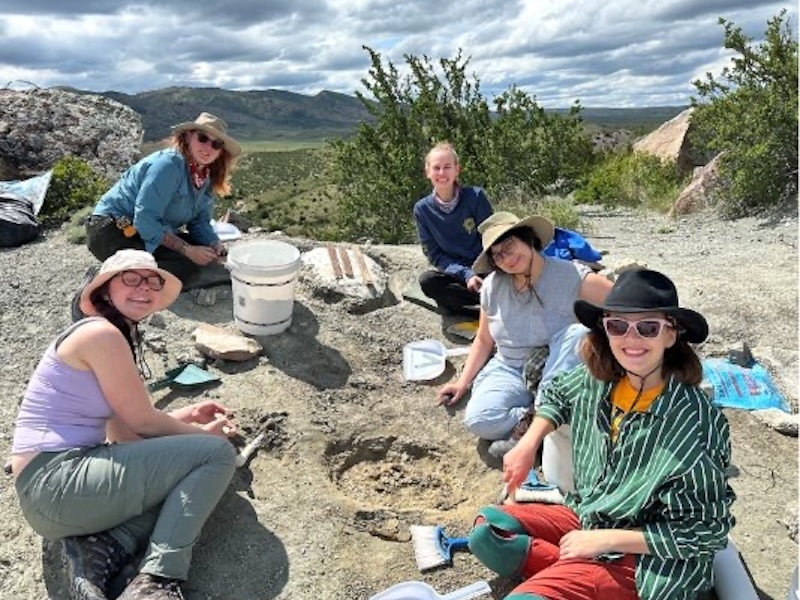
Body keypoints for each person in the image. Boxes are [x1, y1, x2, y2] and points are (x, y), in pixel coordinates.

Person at [468, 269, 735, 600]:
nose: (631, 338)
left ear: (671, 335)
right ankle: (576, 573)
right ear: (605, 329)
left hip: (650, 559)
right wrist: (528, 443)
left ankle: (578, 577)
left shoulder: (694, 423)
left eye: (648, 327)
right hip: (593, 515)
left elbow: (706, 532)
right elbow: (559, 395)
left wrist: (607, 540)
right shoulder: (602, 380)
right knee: (487, 532)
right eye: (618, 326)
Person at [11, 249, 238, 600]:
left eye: (152, 281)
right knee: (217, 455)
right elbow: (143, 422)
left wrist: (187, 415)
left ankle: (100, 547)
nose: (143, 287)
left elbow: (124, 434)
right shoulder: (102, 335)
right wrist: (205, 437)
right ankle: (157, 579)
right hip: (55, 483)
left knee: (183, 481)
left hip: (54, 494)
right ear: (104, 290)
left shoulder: (108, 336)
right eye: (130, 278)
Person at [436, 211, 612, 471]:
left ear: (528, 239)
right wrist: (462, 383)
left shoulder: (570, 275)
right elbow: (484, 340)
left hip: (556, 366)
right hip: (510, 366)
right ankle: (535, 422)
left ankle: (538, 424)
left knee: (577, 334)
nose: (506, 258)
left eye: (509, 246)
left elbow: (621, 302)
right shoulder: (492, 287)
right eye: (497, 255)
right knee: (479, 420)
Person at [85, 112, 241, 292]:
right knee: (183, 266)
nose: (208, 148)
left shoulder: (204, 177)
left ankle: (125, 272)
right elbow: (145, 220)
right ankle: (105, 278)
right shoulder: (168, 166)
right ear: (188, 136)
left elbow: (199, 222)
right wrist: (187, 250)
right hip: (112, 229)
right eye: (203, 138)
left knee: (203, 252)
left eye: (216, 144)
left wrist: (213, 243)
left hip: (141, 231)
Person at [413, 142, 493, 317]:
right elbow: (434, 254)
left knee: (506, 278)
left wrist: (484, 272)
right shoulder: (422, 210)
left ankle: (486, 300)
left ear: (457, 170)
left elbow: (492, 238)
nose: (441, 173)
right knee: (428, 281)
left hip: (486, 269)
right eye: (436, 168)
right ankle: (486, 304)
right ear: (427, 172)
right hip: (457, 274)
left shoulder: (475, 197)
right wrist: (466, 275)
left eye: (447, 167)